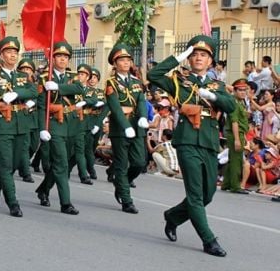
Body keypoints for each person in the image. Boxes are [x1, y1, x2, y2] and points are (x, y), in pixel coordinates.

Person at [148, 35, 236, 257]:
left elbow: (231, 106)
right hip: (187, 139)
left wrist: (212, 96)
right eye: (194, 54)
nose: (198, 58)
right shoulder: (179, 80)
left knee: (207, 195)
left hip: (208, 142)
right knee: (196, 194)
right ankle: (209, 240)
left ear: (210, 61)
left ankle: (173, 216)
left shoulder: (217, 85)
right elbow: (153, 75)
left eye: (203, 55)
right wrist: (179, 57)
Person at [0, 36, 37, 217]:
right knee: (6, 165)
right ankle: (13, 203)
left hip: (21, 125)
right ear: (1, 55)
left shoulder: (22, 76)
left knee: (14, 165)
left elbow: (33, 91)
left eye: (15, 52)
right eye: (8, 52)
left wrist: (16, 93)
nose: (12, 55)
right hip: (3, 125)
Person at [35, 41, 89, 215]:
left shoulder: (73, 77)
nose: (63, 60)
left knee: (63, 162)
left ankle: (43, 189)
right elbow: (42, 106)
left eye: (66, 57)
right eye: (59, 56)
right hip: (55, 124)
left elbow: (80, 88)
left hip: (72, 123)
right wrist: (43, 127)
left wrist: (59, 87)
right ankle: (66, 203)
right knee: (61, 163)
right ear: (52, 58)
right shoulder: (44, 79)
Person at [105, 43, 148, 214]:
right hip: (120, 128)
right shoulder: (111, 83)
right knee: (121, 165)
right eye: (121, 60)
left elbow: (141, 102)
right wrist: (125, 126)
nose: (125, 63)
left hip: (137, 127)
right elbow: (115, 107)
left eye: (128, 60)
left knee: (139, 162)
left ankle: (120, 183)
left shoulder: (137, 82)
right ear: (115, 64)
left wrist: (144, 117)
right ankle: (126, 200)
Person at [221, 78, 250, 194]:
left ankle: (226, 183)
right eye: (240, 90)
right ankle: (235, 186)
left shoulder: (241, 102)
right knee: (237, 161)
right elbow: (234, 122)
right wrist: (237, 139)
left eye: (245, 90)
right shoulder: (234, 103)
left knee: (232, 159)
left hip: (239, 134)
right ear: (235, 91)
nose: (243, 92)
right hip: (236, 134)